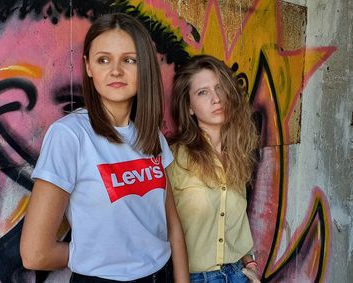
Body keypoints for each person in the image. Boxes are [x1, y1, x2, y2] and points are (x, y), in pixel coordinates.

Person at [20, 13, 189, 283]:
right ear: (88, 67)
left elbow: (173, 227)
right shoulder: (69, 135)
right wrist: (101, 254)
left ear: (143, 66)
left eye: (129, 60)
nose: (116, 71)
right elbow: (35, 253)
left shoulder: (152, 136)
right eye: (104, 59)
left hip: (162, 275)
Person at [167, 55, 260, 283]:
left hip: (239, 274)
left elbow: (237, 224)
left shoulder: (238, 154)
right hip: (195, 277)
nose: (216, 98)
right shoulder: (174, 158)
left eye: (220, 88)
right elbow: (161, 227)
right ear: (189, 107)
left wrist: (251, 265)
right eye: (203, 92)